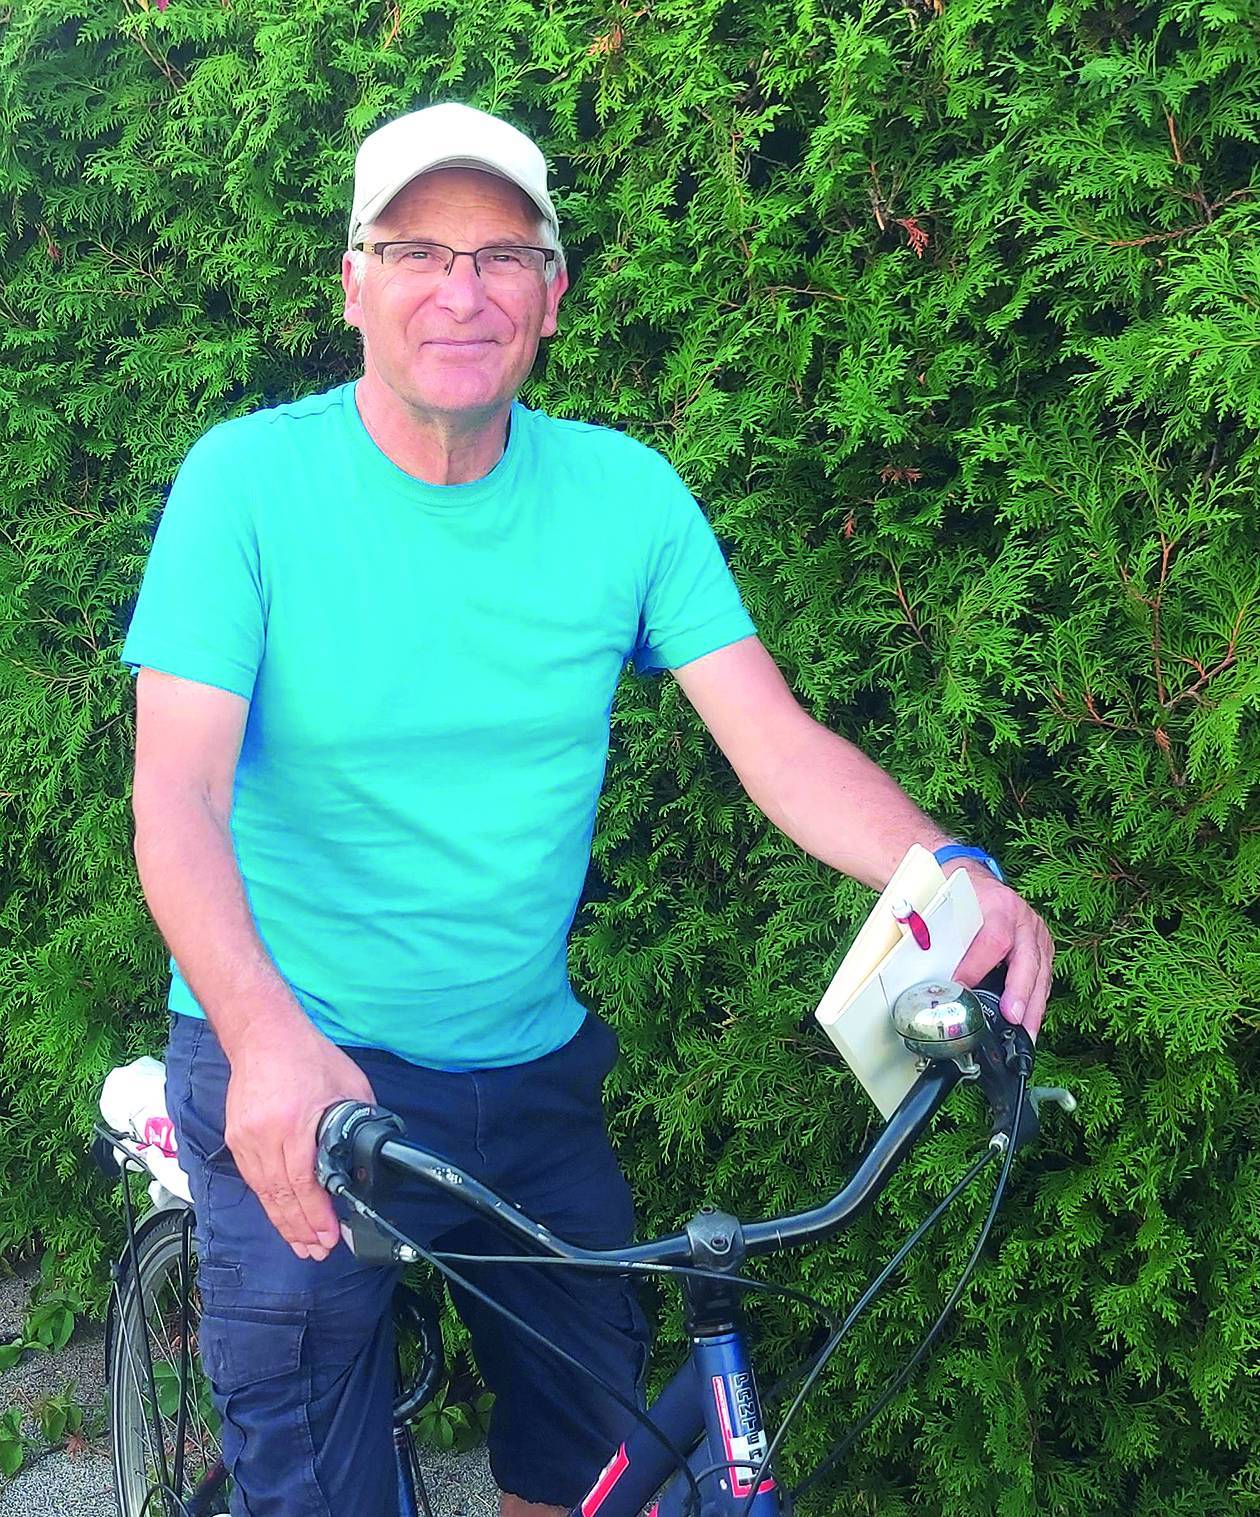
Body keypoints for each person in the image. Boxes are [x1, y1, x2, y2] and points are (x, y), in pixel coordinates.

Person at [121, 101, 1054, 1517]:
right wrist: (261, 1042)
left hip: (525, 1075)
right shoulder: (245, 486)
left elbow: (776, 743)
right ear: (354, 283)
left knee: (594, 1470)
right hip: (292, 1059)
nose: (462, 290)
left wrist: (951, 870)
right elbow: (177, 796)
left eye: (503, 255)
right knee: (310, 1487)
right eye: (417, 251)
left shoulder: (625, 497)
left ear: (551, 296)